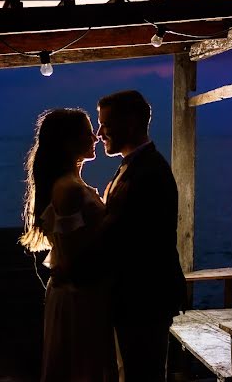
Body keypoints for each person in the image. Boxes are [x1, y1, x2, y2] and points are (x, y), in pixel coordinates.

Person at [20, 108, 118, 382]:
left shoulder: (71, 184)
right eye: (87, 132)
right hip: (79, 298)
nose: (95, 137)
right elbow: (73, 257)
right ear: (68, 142)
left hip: (81, 294)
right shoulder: (68, 189)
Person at [97, 90, 186, 380]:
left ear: (131, 123)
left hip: (143, 300)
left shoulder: (149, 173)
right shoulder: (135, 166)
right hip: (136, 299)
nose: (99, 133)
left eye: (105, 125)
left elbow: (126, 237)